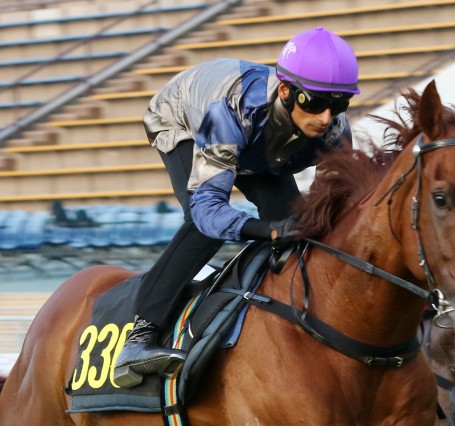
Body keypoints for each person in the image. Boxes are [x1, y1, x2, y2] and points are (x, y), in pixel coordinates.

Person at [111, 26, 359, 388]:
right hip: (184, 119)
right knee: (202, 228)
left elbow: (335, 210)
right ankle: (139, 339)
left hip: (259, 143)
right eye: (315, 102)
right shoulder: (231, 111)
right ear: (287, 91)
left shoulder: (335, 131)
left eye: (338, 104)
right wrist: (268, 231)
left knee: (298, 225)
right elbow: (208, 211)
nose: (325, 118)